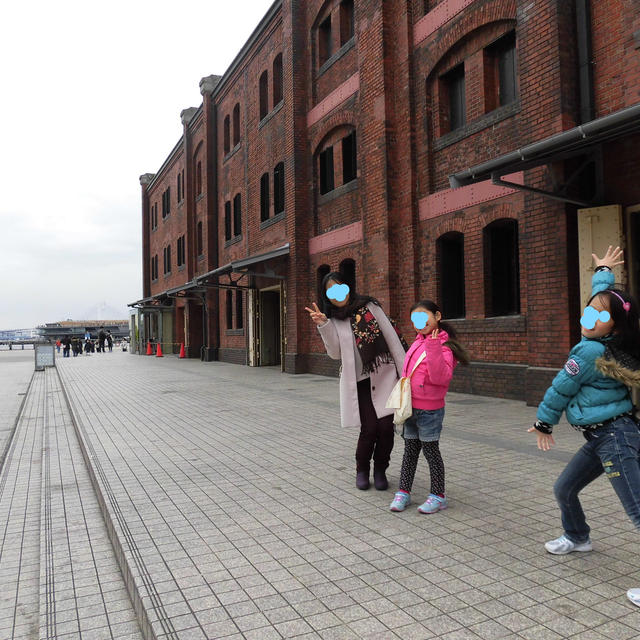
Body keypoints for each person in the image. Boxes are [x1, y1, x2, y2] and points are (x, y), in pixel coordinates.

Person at [528, 246, 640, 608]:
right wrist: (604, 271)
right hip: (601, 436)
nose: (589, 315)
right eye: (589, 309)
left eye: (599, 314)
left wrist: (544, 422)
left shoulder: (588, 353)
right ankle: (577, 537)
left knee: (637, 508)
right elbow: (607, 301)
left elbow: (561, 388)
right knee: (565, 488)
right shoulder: (608, 342)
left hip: (615, 439)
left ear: (614, 325)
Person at [306, 272, 406, 490]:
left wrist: (405, 374)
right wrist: (323, 325)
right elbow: (334, 353)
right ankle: (362, 469)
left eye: (339, 288)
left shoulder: (370, 307)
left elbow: (392, 339)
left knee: (386, 428)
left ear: (348, 287)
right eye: (330, 292)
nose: (337, 295)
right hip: (359, 382)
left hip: (385, 376)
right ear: (327, 296)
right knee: (370, 428)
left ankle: (380, 470)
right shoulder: (333, 319)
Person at [389, 300, 470, 514]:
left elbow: (440, 378)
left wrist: (433, 348)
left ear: (437, 316)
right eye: (415, 319)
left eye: (424, 317)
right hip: (411, 409)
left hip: (430, 411)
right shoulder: (416, 343)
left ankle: (438, 495)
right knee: (410, 451)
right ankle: (404, 492)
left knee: (431, 452)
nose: (420, 322)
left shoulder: (444, 346)